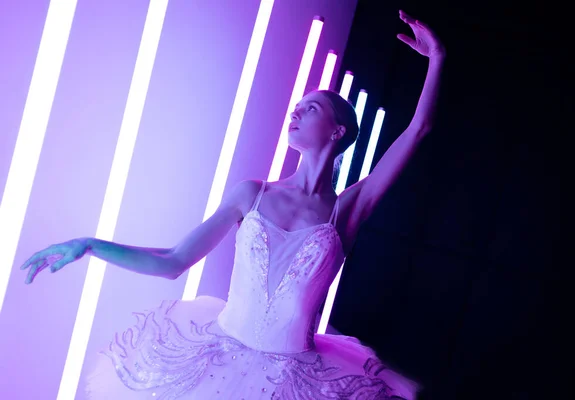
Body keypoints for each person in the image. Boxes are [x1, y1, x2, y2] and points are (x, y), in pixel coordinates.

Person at [21, 10, 444, 400]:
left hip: (293, 380)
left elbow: (419, 130)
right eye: (294, 109)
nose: (294, 114)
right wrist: (91, 245)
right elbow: (172, 261)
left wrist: (438, 58)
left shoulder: (347, 209)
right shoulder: (253, 194)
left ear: (337, 132)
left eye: (309, 109)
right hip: (215, 364)